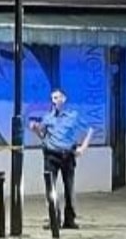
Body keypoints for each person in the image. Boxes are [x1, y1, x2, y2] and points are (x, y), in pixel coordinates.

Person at [29, 88, 92, 229]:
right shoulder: (48, 117)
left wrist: (83, 148)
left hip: (67, 155)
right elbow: (42, 135)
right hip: (51, 155)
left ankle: (69, 220)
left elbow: (89, 129)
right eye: (53, 98)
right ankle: (54, 219)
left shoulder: (73, 116)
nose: (55, 101)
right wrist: (36, 129)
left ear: (64, 99)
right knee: (50, 188)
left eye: (57, 98)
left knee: (69, 188)